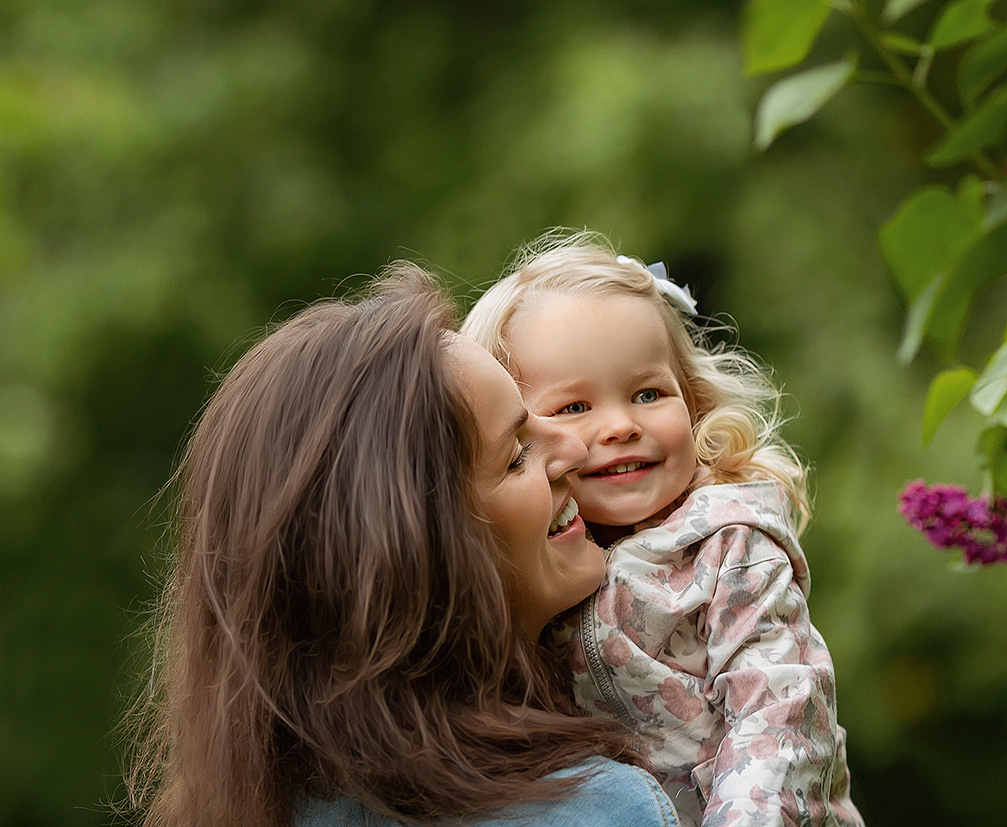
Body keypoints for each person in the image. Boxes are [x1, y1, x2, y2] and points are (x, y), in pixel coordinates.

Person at [122, 263, 680, 826]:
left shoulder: (236, 804)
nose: (576, 449)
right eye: (515, 455)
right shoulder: (595, 811)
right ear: (423, 560)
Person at [462, 230, 864, 827]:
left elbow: (778, 706)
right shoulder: (538, 565)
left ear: (694, 404)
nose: (621, 425)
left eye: (648, 393)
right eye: (574, 408)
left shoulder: (730, 544)